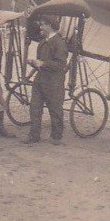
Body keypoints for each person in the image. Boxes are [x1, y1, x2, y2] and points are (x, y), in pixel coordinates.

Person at [23, 15, 69, 145]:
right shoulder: (43, 41)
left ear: (49, 26)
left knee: (55, 110)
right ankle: (34, 135)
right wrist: (34, 63)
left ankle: (56, 137)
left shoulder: (60, 43)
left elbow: (60, 65)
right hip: (40, 80)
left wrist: (42, 63)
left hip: (54, 82)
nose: (40, 27)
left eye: (43, 24)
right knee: (35, 108)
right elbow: (42, 62)